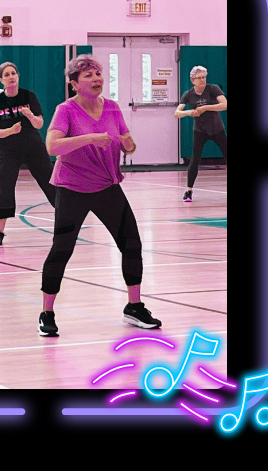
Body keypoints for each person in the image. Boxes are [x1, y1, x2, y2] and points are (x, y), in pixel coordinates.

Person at [38, 55, 162, 337]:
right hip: (73, 188)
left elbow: (127, 142)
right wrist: (90, 138)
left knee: (132, 244)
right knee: (62, 249)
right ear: (73, 84)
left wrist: (129, 145)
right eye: (88, 75)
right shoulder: (66, 110)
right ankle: (47, 312)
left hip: (107, 185)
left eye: (98, 74)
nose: (96, 79)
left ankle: (134, 307)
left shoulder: (113, 108)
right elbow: (52, 146)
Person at [0, 61, 58, 246]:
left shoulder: (29, 96)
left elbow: (40, 124)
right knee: (5, 189)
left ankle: (65, 223)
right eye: (7, 75)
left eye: (13, 73)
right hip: (8, 150)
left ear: (18, 76)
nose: (11, 77)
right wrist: (10, 131)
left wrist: (30, 116)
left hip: (33, 147)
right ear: (1, 80)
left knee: (50, 182)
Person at [175, 65, 228, 202]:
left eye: (203, 77)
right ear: (193, 80)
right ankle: (188, 191)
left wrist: (205, 108)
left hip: (217, 129)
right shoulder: (188, 94)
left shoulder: (213, 88)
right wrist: (189, 112)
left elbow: (224, 104)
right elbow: (177, 113)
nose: (202, 80)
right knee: (195, 159)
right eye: (199, 78)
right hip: (200, 131)